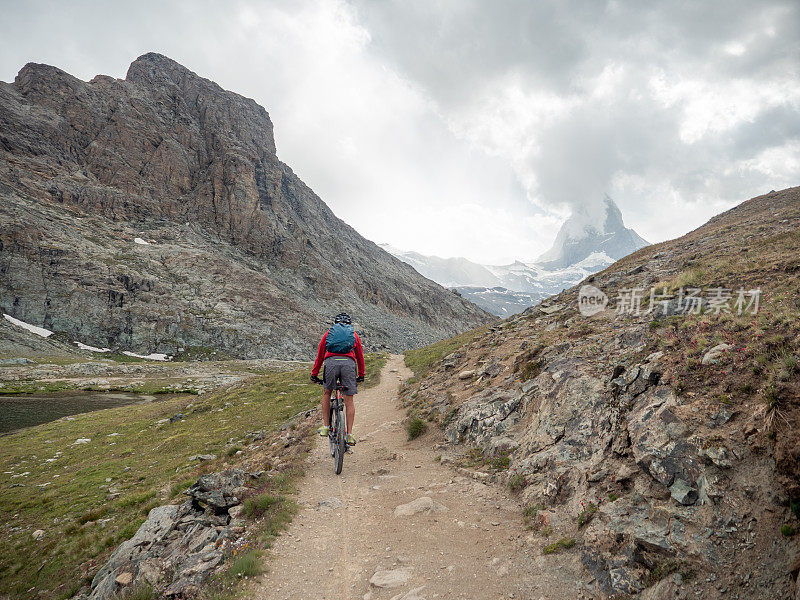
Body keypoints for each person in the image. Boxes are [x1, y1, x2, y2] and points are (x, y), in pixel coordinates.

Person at [310, 312, 365, 447]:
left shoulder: (328, 334)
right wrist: (361, 374)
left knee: (327, 393)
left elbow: (320, 355)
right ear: (349, 324)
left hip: (331, 363)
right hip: (348, 365)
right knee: (349, 400)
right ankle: (349, 435)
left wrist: (314, 374)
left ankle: (326, 427)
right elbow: (360, 356)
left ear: (335, 323)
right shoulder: (354, 335)